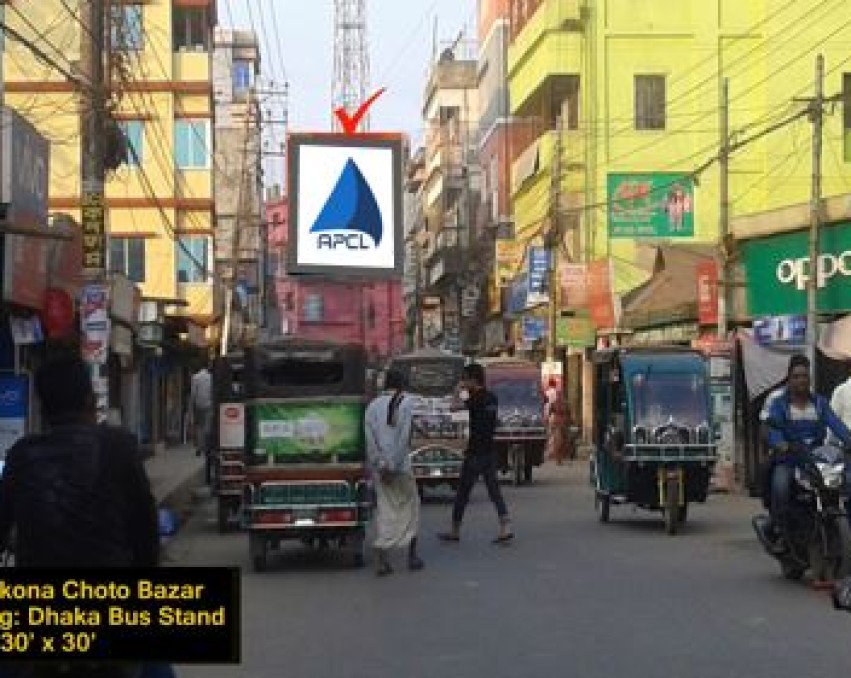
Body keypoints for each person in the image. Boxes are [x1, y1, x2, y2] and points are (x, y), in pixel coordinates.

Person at [0, 355, 163, 678]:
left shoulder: (23, 454)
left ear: (43, 407)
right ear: (90, 400)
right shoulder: (121, 447)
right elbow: (146, 532)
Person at [762, 354, 851, 544]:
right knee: (781, 488)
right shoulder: (779, 404)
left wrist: (849, 440)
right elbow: (773, 429)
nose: (801, 380)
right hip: (789, 461)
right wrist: (780, 444)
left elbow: (837, 425)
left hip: (815, 462)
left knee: (840, 484)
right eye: (796, 376)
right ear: (789, 379)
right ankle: (777, 527)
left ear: (809, 378)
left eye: (804, 376)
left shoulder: (820, 403)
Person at [439, 363, 513, 544]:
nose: (464, 382)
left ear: (473, 379)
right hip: (490, 450)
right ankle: (505, 527)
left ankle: (455, 530)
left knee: (463, 493)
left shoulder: (474, 398)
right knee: (494, 492)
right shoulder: (491, 398)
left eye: (466, 378)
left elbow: (454, 407)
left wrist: (458, 389)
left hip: (475, 453)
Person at [364, 368, 423, 576]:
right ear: (402, 384)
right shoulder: (406, 403)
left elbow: (370, 442)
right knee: (411, 508)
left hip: (381, 470)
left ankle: (382, 558)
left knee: (385, 510)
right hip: (401, 467)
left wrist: (381, 465)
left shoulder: (372, 407)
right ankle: (412, 556)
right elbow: (403, 439)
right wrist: (394, 465)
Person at [189, 361, 213, 483]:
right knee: (206, 426)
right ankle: (205, 446)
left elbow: (193, 393)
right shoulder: (211, 377)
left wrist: (192, 406)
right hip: (209, 405)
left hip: (199, 404)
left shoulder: (195, 377)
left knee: (199, 426)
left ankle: (200, 447)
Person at [544, 378, 568, 465]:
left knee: (554, 438)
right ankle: (558, 458)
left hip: (555, 420)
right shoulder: (564, 402)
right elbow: (568, 412)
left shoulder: (548, 394)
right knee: (560, 440)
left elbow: (549, 409)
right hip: (562, 422)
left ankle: (555, 456)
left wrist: (547, 417)